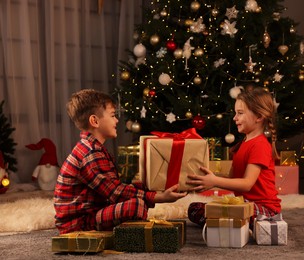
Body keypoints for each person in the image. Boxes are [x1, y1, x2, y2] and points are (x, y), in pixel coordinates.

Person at [54, 89, 187, 234]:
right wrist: (158, 197)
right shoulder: (90, 153)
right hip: (78, 224)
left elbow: (115, 186)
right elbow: (115, 192)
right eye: (112, 115)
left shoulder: (93, 147)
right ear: (95, 121)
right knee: (135, 205)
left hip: (93, 211)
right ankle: (130, 235)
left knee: (138, 192)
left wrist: (151, 188)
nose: (117, 120)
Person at [187, 87, 281, 226]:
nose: (235, 118)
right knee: (194, 208)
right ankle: (230, 223)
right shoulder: (243, 143)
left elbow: (247, 184)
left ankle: (229, 222)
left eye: (240, 113)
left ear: (259, 117)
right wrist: (209, 180)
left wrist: (215, 181)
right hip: (245, 205)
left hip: (265, 210)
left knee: (214, 212)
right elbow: (233, 180)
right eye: (235, 113)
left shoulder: (260, 145)